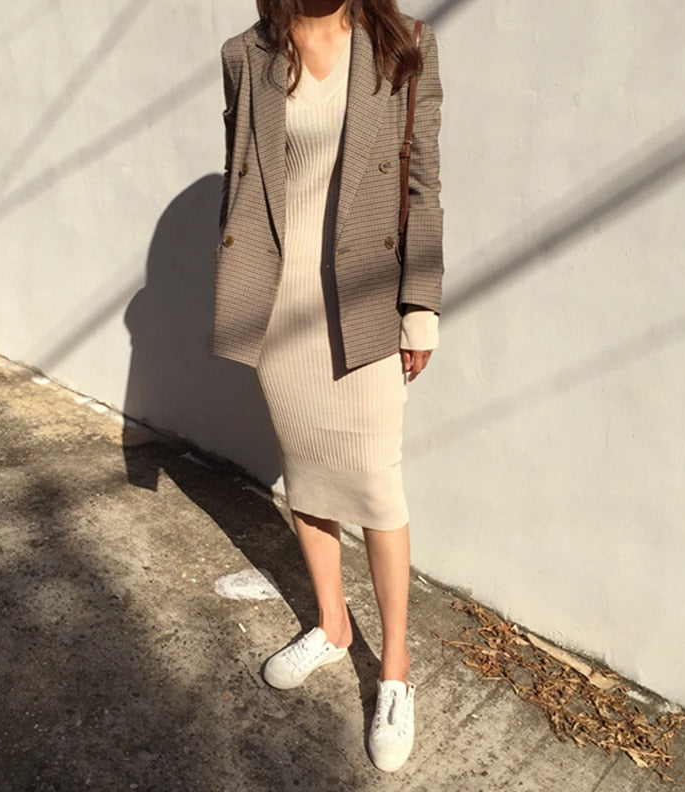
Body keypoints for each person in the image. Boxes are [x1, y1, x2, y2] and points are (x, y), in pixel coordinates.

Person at [212, 0, 442, 773]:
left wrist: (420, 307)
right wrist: (238, 293)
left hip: (366, 303)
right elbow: (241, 183)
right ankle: (333, 625)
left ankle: (395, 671)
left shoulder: (404, 46)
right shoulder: (246, 54)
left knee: (376, 484)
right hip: (282, 309)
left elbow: (422, 185)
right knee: (306, 473)